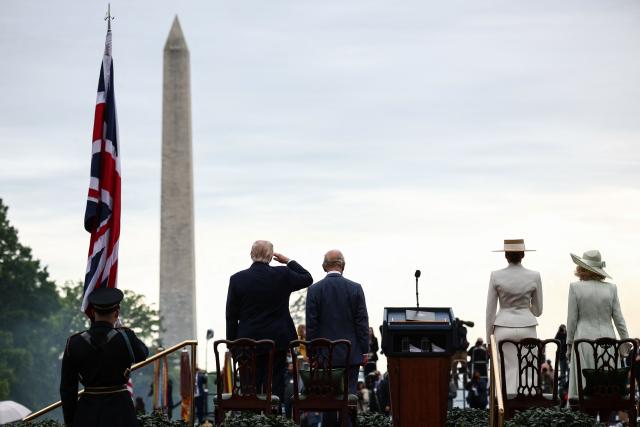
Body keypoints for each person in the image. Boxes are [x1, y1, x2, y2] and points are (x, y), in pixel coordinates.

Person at [225, 240, 313, 403]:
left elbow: (231, 316)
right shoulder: (283, 274)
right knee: (276, 383)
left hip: (247, 343)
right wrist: (288, 261)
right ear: (272, 256)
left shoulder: (237, 279)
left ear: (251, 255)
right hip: (277, 341)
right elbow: (307, 278)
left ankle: (251, 418)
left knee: (250, 386)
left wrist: (232, 344)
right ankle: (275, 415)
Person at [60, 287, 149, 427]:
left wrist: (71, 421)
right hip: (121, 414)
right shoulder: (126, 338)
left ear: (93, 312)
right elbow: (143, 353)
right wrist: (126, 332)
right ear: (117, 312)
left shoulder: (74, 343)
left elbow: (67, 388)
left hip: (87, 413)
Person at [306, 250, 369, 427]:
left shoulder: (314, 290)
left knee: (328, 401)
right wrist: (364, 350)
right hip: (351, 353)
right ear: (343, 265)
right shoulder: (355, 288)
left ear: (324, 266)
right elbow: (361, 322)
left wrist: (312, 354)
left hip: (325, 356)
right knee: (348, 401)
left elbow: (311, 325)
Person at [566, 250, 630, 400]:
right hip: (609, 344)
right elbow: (619, 320)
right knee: (607, 392)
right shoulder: (611, 288)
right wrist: (624, 345)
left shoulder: (575, 287)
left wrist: (569, 345)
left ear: (581, 268)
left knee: (585, 392)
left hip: (584, 343)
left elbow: (572, 320)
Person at [486, 239, 543, 394]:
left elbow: (490, 311)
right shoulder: (534, 275)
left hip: (503, 326)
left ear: (506, 255)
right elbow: (538, 310)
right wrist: (524, 306)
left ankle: (506, 407)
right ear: (523, 255)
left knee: (506, 370)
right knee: (528, 369)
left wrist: (488, 340)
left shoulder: (496, 276)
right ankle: (527, 407)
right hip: (528, 326)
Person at [554, 324, 568, 391]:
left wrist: (565, 332)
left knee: (568, 372)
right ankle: (563, 387)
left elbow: (568, 341)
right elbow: (555, 340)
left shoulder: (567, 334)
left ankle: (567, 386)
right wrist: (559, 332)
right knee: (562, 373)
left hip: (567, 356)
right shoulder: (559, 334)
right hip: (561, 356)